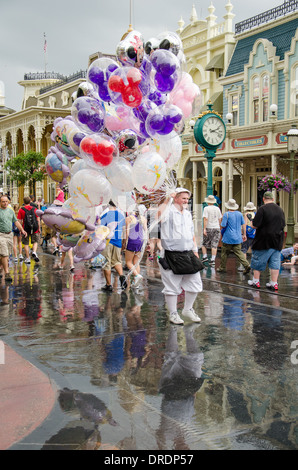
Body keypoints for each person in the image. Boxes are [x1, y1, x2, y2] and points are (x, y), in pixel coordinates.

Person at [157, 188, 202, 325]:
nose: (186, 201)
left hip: (188, 253)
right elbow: (158, 215)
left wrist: (195, 250)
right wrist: (166, 198)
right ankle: (173, 313)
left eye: (187, 199)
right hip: (170, 254)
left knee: (195, 284)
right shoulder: (168, 211)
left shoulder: (188, 214)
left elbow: (191, 232)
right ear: (175, 198)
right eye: (183, 198)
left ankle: (188, 309)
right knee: (172, 286)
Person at [248, 191, 285, 291]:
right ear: (273, 199)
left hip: (263, 240)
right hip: (277, 240)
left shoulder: (262, 209)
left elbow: (255, 225)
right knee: (275, 262)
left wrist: (252, 222)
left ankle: (256, 281)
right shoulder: (280, 210)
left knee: (258, 260)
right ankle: (274, 283)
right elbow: (283, 224)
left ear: (264, 199)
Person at [217, 198, 251, 274]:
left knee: (224, 253)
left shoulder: (226, 214)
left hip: (228, 237)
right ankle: (246, 265)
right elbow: (243, 224)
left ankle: (222, 267)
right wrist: (244, 234)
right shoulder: (239, 214)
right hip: (238, 237)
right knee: (239, 253)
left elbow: (223, 225)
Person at [100, 200, 126, 292]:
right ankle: (122, 276)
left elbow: (100, 228)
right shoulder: (121, 215)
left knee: (107, 262)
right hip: (118, 241)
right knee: (117, 261)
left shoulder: (106, 214)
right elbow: (123, 229)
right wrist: (123, 242)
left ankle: (108, 285)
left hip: (108, 241)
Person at [0, 194, 27, 282]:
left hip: (9, 234)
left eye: (6, 201)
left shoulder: (10, 211)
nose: (5, 203)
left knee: (6, 255)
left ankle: (1, 268)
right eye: (3, 202)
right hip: (1, 235)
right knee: (4, 254)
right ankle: (7, 273)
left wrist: (22, 230)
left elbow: (15, 221)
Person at [124, 206, 147, 288]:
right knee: (136, 262)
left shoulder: (128, 218)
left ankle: (137, 276)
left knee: (128, 262)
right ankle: (136, 283)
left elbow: (127, 233)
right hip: (140, 241)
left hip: (132, 241)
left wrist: (125, 243)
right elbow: (146, 231)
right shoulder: (144, 219)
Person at [17, 196, 41, 264]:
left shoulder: (21, 210)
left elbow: (20, 221)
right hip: (34, 228)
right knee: (35, 241)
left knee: (26, 244)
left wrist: (21, 229)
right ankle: (34, 252)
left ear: (23, 202)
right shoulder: (35, 209)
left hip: (25, 229)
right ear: (30, 201)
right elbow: (38, 220)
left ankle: (28, 258)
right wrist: (39, 228)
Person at [201, 195, 222, 267]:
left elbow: (205, 218)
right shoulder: (217, 209)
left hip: (209, 227)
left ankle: (205, 257)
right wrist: (218, 225)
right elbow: (220, 218)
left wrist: (204, 228)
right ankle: (213, 259)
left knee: (204, 243)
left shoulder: (206, 208)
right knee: (214, 244)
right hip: (216, 227)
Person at [238, 201, 256, 271]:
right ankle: (253, 265)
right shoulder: (255, 214)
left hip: (248, 234)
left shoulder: (246, 214)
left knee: (244, 249)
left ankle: (243, 265)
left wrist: (244, 233)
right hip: (254, 234)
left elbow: (244, 225)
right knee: (253, 250)